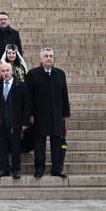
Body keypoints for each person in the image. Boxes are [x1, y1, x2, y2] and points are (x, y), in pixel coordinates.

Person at [26, 47, 70, 179]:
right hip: (39, 116)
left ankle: (57, 169)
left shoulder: (60, 74)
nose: (49, 58)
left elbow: (64, 95)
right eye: (46, 56)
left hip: (56, 115)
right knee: (39, 144)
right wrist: (30, 114)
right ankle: (39, 169)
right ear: (41, 58)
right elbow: (29, 97)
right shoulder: (33, 74)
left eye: (51, 56)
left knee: (56, 143)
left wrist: (65, 115)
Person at [0, 62, 30, 179]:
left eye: (7, 71)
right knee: (1, 147)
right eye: (3, 71)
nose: (5, 73)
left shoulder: (20, 85)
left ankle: (16, 170)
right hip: (1, 122)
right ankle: (3, 169)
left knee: (15, 147)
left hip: (15, 122)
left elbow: (26, 105)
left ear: (12, 71)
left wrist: (25, 122)